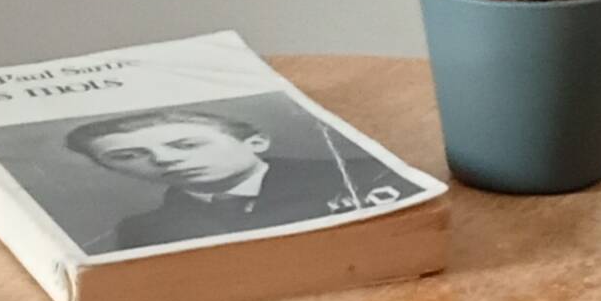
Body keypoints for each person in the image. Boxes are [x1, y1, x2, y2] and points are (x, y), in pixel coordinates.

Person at [62, 105, 388, 250]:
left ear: (255, 142)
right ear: (110, 169)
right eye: (127, 156)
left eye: (186, 144)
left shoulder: (362, 175)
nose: (164, 159)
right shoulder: (144, 230)